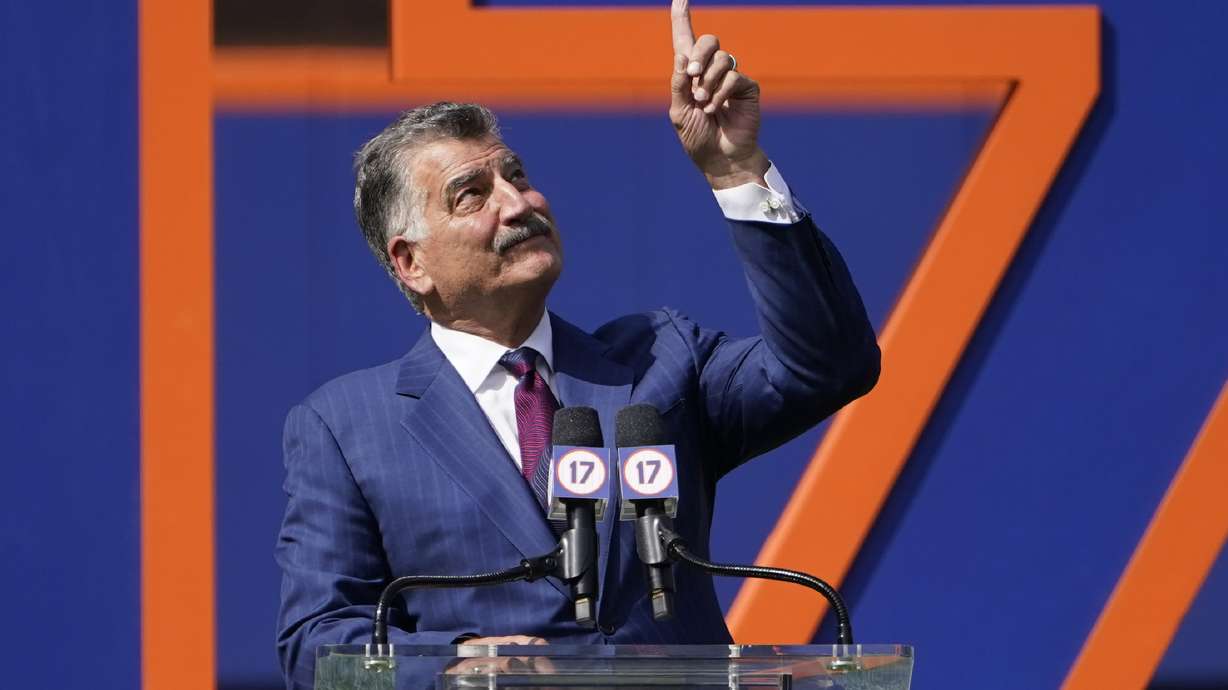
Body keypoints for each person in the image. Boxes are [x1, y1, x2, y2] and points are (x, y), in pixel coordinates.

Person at [275, 2, 880, 688]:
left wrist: (735, 169)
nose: (518, 202)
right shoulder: (347, 427)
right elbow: (316, 642)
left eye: (517, 176)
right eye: (471, 195)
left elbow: (830, 365)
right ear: (411, 263)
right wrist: (453, 664)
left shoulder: (661, 360)